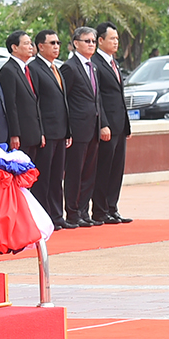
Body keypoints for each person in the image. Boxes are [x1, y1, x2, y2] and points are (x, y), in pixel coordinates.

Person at [60, 27, 109, 228]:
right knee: (75, 173)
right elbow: (65, 101)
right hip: (78, 129)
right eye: (87, 41)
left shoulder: (93, 67)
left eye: (93, 41)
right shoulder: (69, 67)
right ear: (75, 44)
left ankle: (83, 211)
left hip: (93, 127)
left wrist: (103, 124)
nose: (91, 44)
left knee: (89, 172)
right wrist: (68, 129)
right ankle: (72, 213)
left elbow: (97, 99)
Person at [29, 30, 72, 228]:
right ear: (40, 46)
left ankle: (57, 216)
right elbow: (35, 103)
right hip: (45, 132)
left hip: (61, 132)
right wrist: (40, 132)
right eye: (52, 43)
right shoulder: (34, 68)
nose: (56, 46)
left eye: (58, 42)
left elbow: (63, 102)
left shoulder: (58, 68)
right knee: (43, 178)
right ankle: (44, 217)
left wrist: (68, 131)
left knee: (56, 178)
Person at [90, 23, 132, 224]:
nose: (116, 42)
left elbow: (119, 96)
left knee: (117, 169)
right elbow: (98, 97)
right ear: (100, 40)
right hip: (106, 126)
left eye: (117, 39)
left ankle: (112, 208)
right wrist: (103, 124)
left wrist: (127, 124)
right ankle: (100, 210)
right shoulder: (95, 63)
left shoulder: (114, 63)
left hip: (120, 125)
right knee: (104, 169)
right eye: (112, 39)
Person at [2, 30, 43, 158]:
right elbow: (10, 104)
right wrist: (15, 134)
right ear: (14, 47)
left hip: (34, 133)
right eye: (26, 44)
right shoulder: (8, 70)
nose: (31, 47)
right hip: (21, 136)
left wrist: (40, 132)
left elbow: (35, 101)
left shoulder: (27, 69)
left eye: (31, 44)